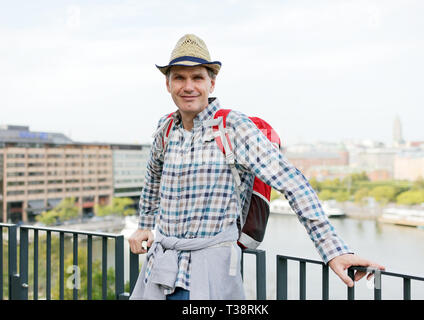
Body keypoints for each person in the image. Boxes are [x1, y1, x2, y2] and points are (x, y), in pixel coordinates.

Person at [129, 34, 385, 300]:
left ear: (212, 83)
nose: (188, 86)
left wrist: (334, 250)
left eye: (197, 78)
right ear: (168, 84)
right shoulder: (167, 128)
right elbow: (153, 177)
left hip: (208, 273)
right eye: (179, 78)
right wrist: (145, 224)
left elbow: (292, 182)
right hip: (160, 268)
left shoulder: (233, 128)